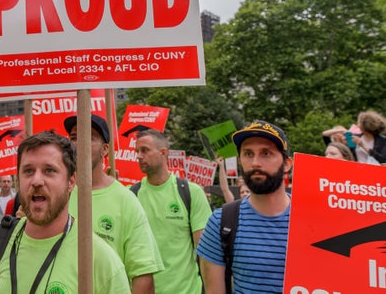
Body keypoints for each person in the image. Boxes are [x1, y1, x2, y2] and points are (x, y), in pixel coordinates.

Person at [0, 131, 130, 294]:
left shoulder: (99, 259)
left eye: (49, 170)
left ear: (71, 181)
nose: (36, 181)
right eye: (28, 171)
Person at [65, 114, 163, 293]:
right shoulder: (57, 194)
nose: (78, 144)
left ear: (105, 149)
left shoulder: (126, 201)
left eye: (89, 137)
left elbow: (143, 275)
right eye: (73, 138)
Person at [197, 120, 294, 293]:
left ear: (287, 164)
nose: (255, 162)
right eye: (248, 154)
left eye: (266, 153)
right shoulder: (221, 222)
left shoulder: (312, 219)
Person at [133, 128, 211, 294]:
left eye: (145, 150)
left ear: (163, 153)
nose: (139, 156)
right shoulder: (131, 195)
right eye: (137, 151)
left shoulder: (191, 192)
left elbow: (206, 252)